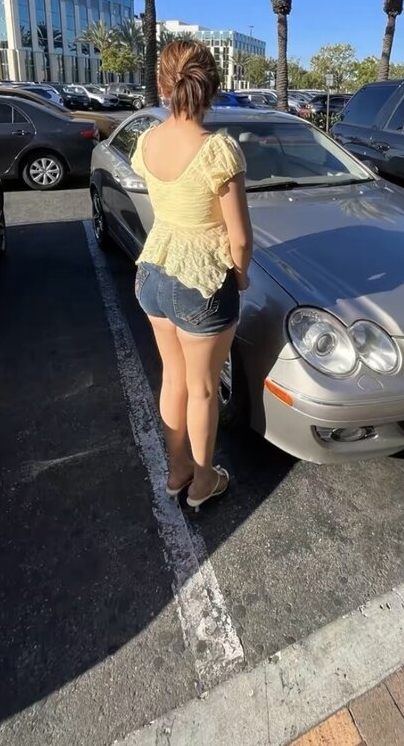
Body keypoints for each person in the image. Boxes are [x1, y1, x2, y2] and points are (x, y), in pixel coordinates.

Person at [131, 39, 252, 511]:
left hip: (153, 271)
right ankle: (204, 481)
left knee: (173, 378)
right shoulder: (217, 150)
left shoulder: (148, 140)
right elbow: (240, 239)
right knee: (202, 389)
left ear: (164, 84)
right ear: (211, 86)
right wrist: (240, 276)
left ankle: (177, 469)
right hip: (201, 281)